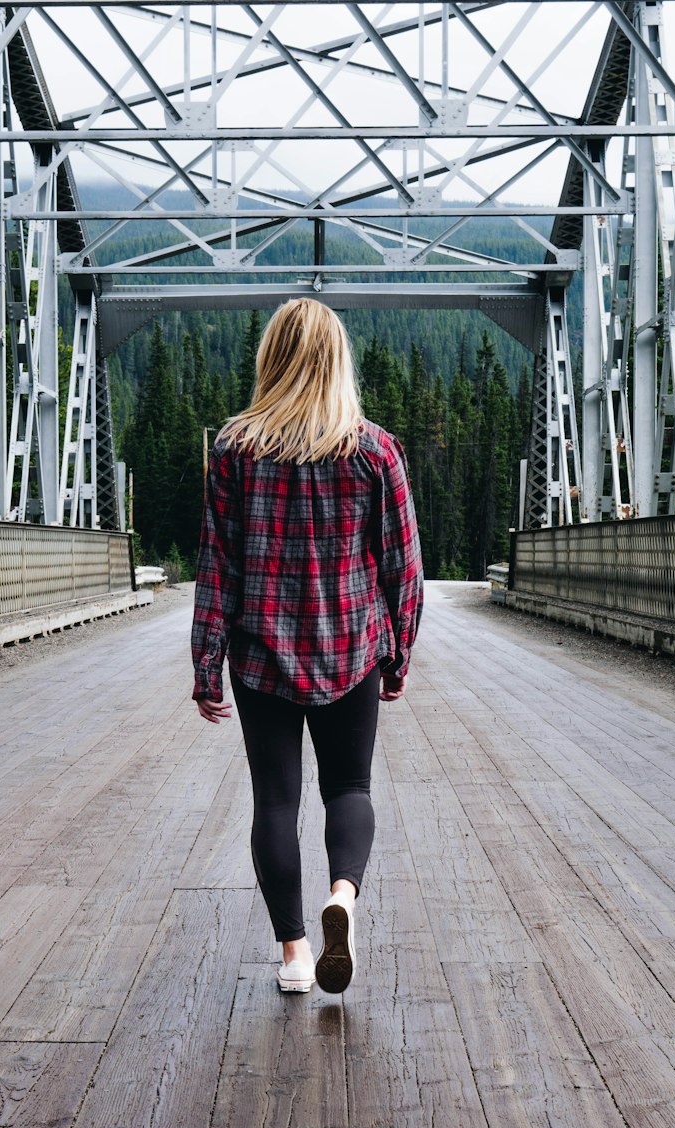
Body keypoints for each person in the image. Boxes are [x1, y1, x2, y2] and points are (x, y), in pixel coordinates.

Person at [191, 298, 423, 996]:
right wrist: (398, 651)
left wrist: (207, 663)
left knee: (274, 801)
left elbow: (216, 569)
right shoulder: (375, 450)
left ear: (273, 361)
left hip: (261, 655)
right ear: (338, 363)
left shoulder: (235, 450)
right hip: (351, 647)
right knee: (348, 787)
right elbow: (402, 565)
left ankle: (294, 955)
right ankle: (343, 898)